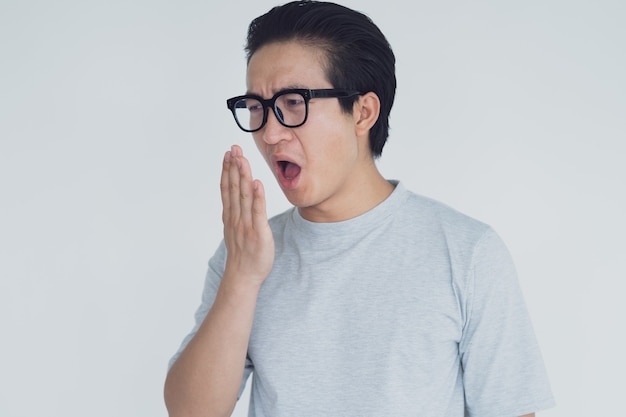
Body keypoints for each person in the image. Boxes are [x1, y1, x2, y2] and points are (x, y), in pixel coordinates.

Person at [164, 1, 555, 416]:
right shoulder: (244, 253)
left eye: (293, 102)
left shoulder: (466, 252)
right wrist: (241, 278)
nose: (270, 132)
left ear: (363, 112)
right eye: (257, 108)